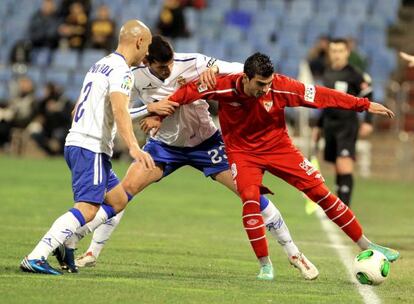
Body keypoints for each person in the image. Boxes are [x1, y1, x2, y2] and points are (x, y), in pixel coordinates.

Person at [67, 36, 318, 281]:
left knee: (250, 193)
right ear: (147, 62)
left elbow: (244, 69)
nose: (168, 70)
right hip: (164, 146)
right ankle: (90, 250)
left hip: (205, 143)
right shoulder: (133, 76)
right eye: (162, 67)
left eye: (171, 64)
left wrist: (216, 68)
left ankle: (295, 254)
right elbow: (115, 105)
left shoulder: (194, 62)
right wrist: (141, 110)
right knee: (123, 192)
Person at [163, 52, 400, 279]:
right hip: (243, 154)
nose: (266, 89)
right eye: (260, 84)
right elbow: (188, 91)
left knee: (321, 193)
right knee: (249, 199)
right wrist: (158, 114)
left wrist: (363, 104)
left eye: (268, 83)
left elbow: (321, 95)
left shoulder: (281, 86)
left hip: (280, 149)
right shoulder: (224, 86)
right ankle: (265, 265)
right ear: (245, 78)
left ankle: (367, 244)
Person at [20, 19, 154, 275]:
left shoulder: (99, 65)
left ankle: (68, 241)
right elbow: (119, 110)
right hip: (90, 147)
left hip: (83, 144)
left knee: (117, 199)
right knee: (88, 207)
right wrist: (134, 148)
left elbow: (75, 108)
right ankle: (36, 256)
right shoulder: (122, 72)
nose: (147, 52)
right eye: (147, 46)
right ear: (139, 42)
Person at [312, 38, 374, 207]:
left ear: (347, 52)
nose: (337, 54)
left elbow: (368, 94)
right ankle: (340, 205)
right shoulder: (327, 73)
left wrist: (368, 121)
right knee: (336, 166)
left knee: (344, 163)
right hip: (330, 124)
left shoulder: (355, 74)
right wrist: (318, 125)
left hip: (347, 125)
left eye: (340, 51)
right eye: (333, 51)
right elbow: (325, 102)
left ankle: (344, 208)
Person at [29, 82, 72, 155]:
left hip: (62, 128)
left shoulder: (64, 101)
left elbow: (68, 117)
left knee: (59, 134)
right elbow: (38, 114)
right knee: (35, 133)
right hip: (47, 129)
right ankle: (50, 151)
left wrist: (58, 110)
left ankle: (60, 153)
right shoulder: (44, 102)